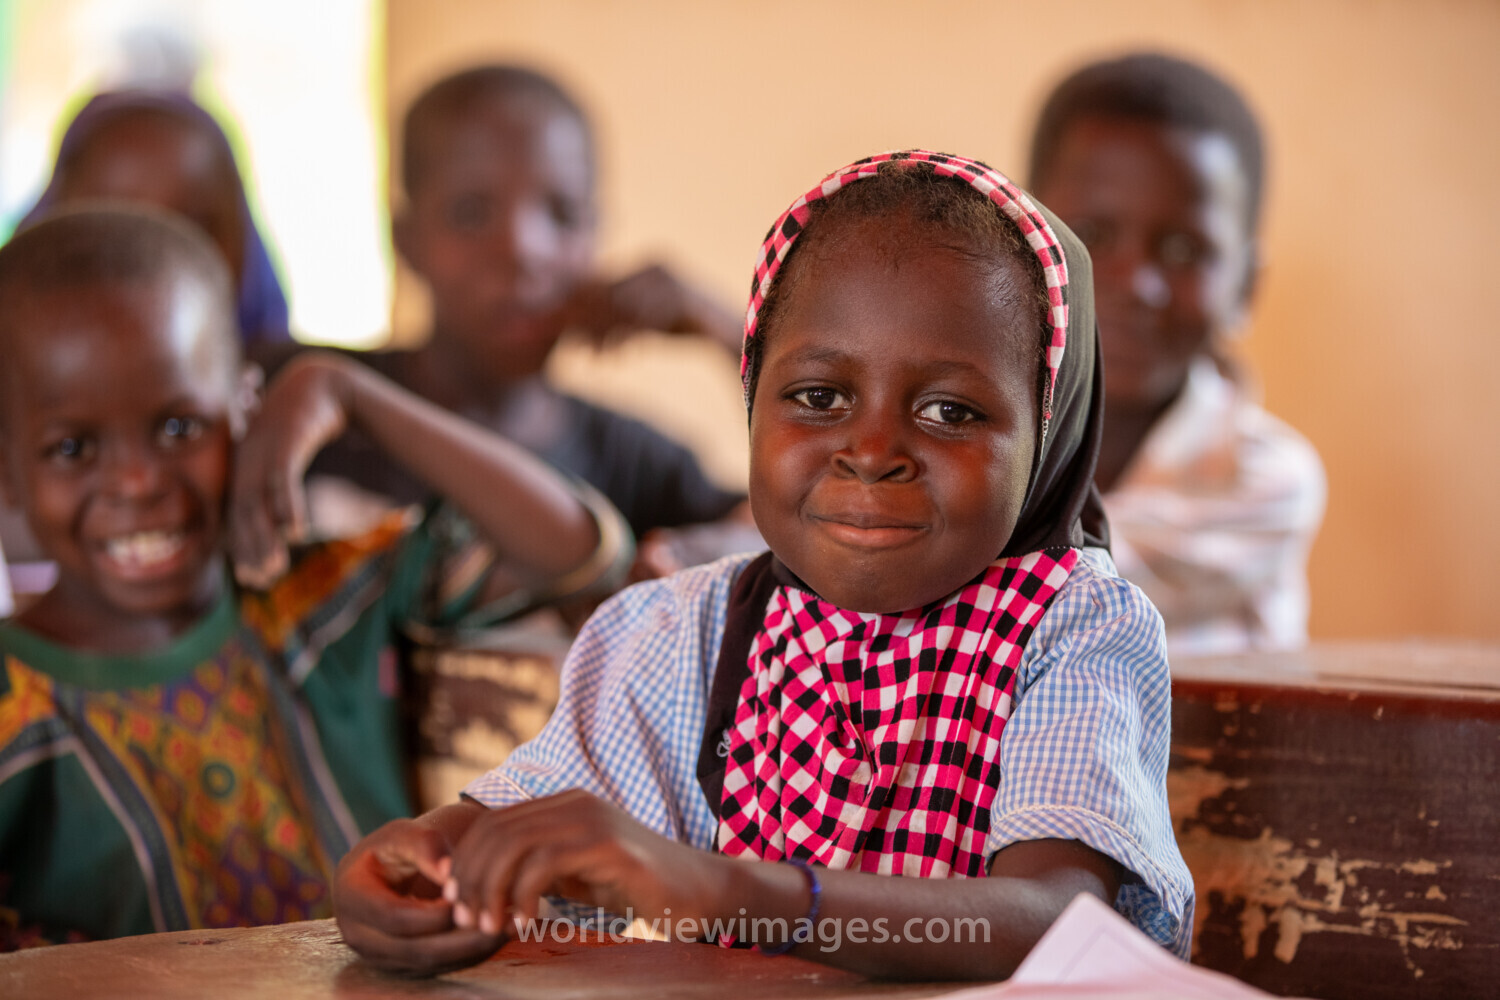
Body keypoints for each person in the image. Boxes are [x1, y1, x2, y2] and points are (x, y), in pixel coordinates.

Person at [332, 152, 1192, 980]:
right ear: (753, 396)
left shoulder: (1070, 628)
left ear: (1048, 439)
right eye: (819, 397)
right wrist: (422, 860)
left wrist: (730, 893)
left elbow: (1055, 925)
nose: (872, 451)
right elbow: (517, 832)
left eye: (949, 410)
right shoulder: (686, 635)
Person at [0, 206, 629, 946]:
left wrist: (350, 394)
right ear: (7, 471)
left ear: (245, 409)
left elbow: (580, 550)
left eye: (179, 428)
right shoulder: (16, 705)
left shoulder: (323, 595)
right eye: (73, 448)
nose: (139, 482)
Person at [282, 65, 747, 545]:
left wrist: (731, 335)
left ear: (596, 230)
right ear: (407, 241)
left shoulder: (635, 467)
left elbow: (801, 541)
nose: (523, 249)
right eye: (471, 213)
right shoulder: (307, 404)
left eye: (562, 213)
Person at [1028, 53, 1326, 654]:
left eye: (1185, 250)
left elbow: (1059, 588)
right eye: (1092, 235)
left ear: (1244, 286)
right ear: (1020, 243)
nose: (1137, 282)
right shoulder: (966, 426)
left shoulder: (1263, 478)